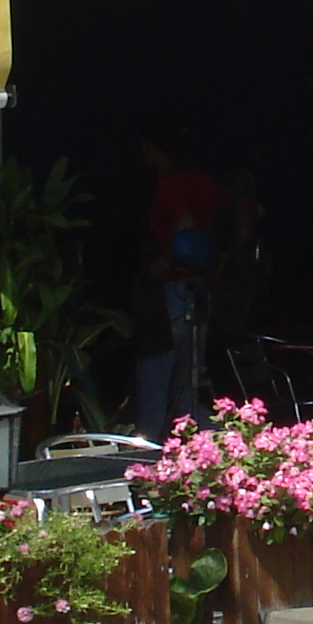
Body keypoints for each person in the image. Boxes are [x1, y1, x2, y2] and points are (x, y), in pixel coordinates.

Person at [134, 120, 227, 436]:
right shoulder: (205, 182)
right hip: (201, 290)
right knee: (189, 377)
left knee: (156, 374)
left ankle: (148, 451)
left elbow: (184, 222)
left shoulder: (168, 183)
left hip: (172, 289)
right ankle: (201, 442)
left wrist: (166, 260)